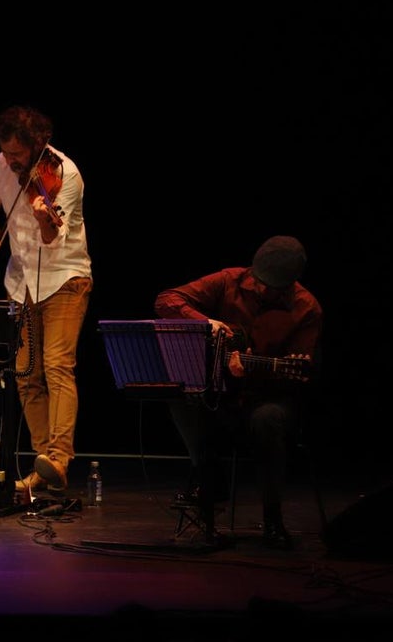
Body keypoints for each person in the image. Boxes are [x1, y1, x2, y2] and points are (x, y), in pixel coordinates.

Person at [154, 235, 323, 549]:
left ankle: (273, 520)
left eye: (271, 286)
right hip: (223, 395)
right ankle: (210, 485)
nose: (261, 289)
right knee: (181, 396)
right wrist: (207, 323)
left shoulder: (307, 309)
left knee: (268, 419)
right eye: (259, 281)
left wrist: (252, 372)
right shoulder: (229, 280)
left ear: (288, 285)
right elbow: (166, 300)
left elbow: (298, 377)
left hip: (269, 399)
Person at [0, 105, 93, 495]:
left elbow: (52, 237)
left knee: (58, 366)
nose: (10, 162)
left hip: (64, 278)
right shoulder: (0, 164)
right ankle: (45, 465)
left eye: (17, 156)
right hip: (21, 282)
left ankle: (59, 458)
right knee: (25, 375)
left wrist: (44, 218)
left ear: (37, 144)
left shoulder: (65, 174)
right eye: (5, 153)